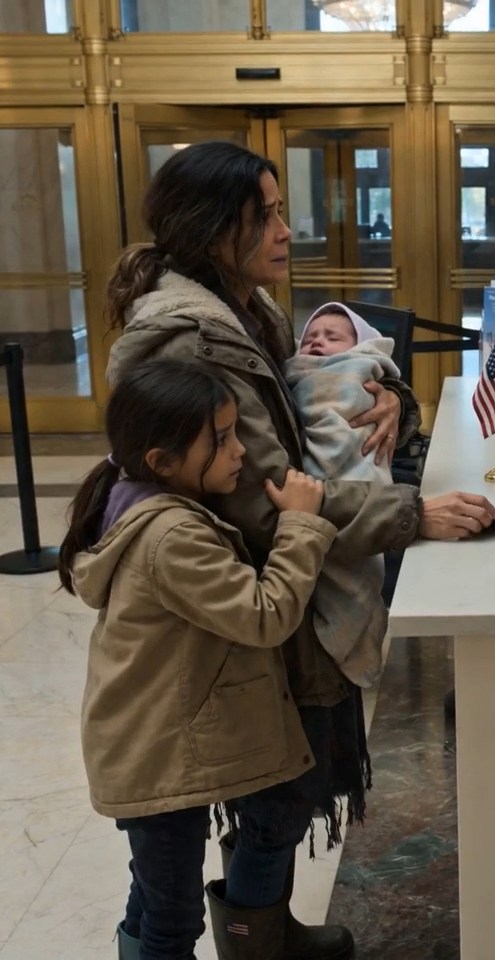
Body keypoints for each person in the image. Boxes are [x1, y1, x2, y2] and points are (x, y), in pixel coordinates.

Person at [103, 140, 495, 960]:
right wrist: (409, 515)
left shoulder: (250, 310)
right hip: (233, 598)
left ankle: (266, 933)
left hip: (276, 576)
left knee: (279, 788)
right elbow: (264, 496)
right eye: (267, 216)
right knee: (238, 815)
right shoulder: (191, 339)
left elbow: (318, 397)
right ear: (213, 228)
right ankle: (257, 937)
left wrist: (390, 397)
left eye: (283, 211)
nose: (287, 232)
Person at [59, 360, 332, 960]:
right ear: (162, 461)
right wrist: (300, 526)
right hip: (155, 755)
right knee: (172, 917)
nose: (240, 451)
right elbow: (265, 614)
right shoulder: (172, 537)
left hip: (150, 742)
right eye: (222, 439)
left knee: (155, 895)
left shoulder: (137, 497)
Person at [286, 301, 399, 687]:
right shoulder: (293, 373)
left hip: (352, 480)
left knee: (358, 566)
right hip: (317, 495)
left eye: (332, 337)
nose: (317, 343)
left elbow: (358, 410)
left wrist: (392, 395)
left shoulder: (359, 370)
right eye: (310, 338)